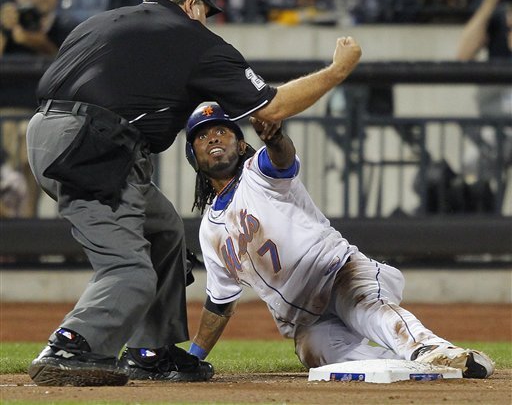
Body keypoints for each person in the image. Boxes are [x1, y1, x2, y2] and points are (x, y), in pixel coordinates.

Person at [25, 0, 362, 386]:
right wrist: (337, 71)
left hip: (50, 132)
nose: (206, 19)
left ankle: (150, 350)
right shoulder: (195, 40)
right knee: (130, 270)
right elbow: (273, 108)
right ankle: (70, 345)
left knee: (163, 230)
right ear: (190, 5)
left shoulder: (100, 22)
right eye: (205, 10)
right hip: (93, 147)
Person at [184, 102, 494, 379]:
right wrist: (192, 359)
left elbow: (281, 159)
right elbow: (219, 304)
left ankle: (436, 351)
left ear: (241, 145)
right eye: (202, 136)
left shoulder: (258, 173)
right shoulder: (210, 230)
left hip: (337, 272)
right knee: (317, 352)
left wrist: (275, 138)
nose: (213, 138)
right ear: (193, 157)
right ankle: (411, 368)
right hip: (305, 318)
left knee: (367, 308)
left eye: (222, 131)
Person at [0, 0, 77, 218]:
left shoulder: (66, 28)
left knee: (30, 138)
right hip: (5, 115)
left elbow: (69, 65)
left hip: (44, 118)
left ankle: (25, 227)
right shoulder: (5, 25)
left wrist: (34, 41)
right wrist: (4, 31)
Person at [456, 0, 512, 209]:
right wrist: (489, 1)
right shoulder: (496, 13)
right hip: (496, 122)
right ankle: (478, 223)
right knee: (472, 167)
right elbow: (463, 55)